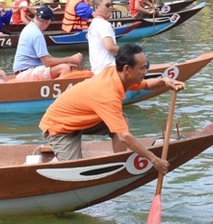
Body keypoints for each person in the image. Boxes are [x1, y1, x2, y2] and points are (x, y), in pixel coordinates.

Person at [39, 43, 185, 165]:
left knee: (122, 119)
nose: (145, 72)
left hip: (80, 119)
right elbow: (124, 136)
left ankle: (118, 160)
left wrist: (164, 81)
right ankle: (60, 158)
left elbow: (145, 84)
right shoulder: (108, 93)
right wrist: (154, 160)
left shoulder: (118, 74)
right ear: (127, 69)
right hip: (59, 127)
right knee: (74, 168)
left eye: (145, 67)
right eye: (142, 68)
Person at [12, 6, 82, 81]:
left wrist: (68, 61)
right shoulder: (37, 34)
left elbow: (48, 57)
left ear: (36, 16)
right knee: (64, 68)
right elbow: (47, 62)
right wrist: (71, 58)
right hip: (26, 73)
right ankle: (63, 93)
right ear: (47, 22)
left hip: (24, 71)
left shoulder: (29, 27)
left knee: (65, 65)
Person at [87, 0, 120, 75]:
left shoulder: (94, 23)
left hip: (98, 70)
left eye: (111, 5)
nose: (111, 7)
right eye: (107, 5)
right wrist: (129, 52)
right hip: (108, 69)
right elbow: (110, 47)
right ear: (97, 7)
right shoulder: (103, 24)